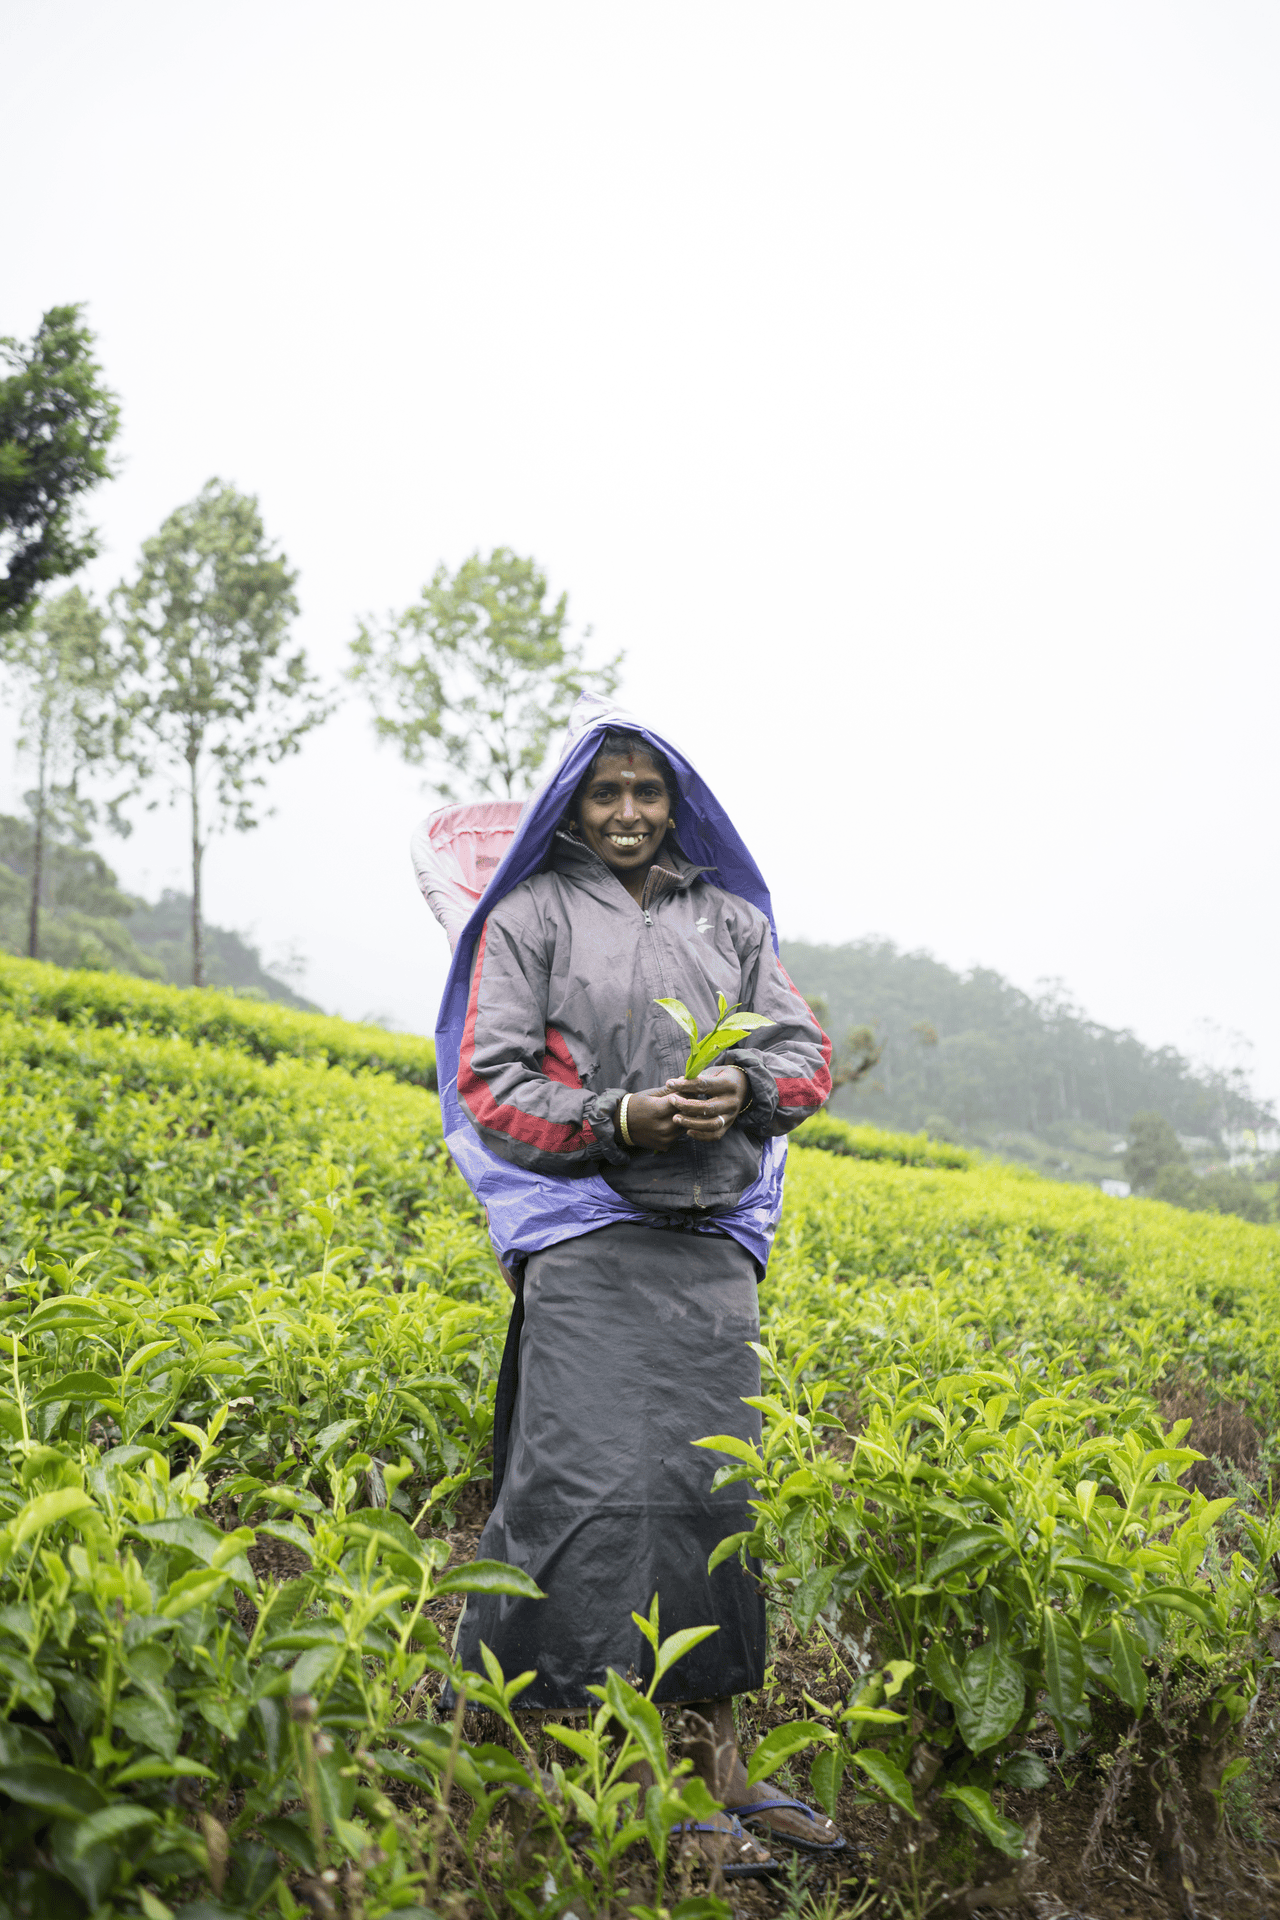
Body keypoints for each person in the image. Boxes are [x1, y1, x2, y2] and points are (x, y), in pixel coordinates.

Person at [449, 725, 842, 1873]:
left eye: (647, 791)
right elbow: (490, 1086)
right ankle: (606, 1765)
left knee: (714, 1498)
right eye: (606, 792)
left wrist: (743, 1085)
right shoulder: (530, 918)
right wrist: (620, 1116)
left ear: (676, 805)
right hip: (587, 1239)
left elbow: (806, 1060)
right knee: (588, 1492)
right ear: (573, 808)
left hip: (708, 1246)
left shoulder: (729, 922)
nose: (627, 811)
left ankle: (720, 1768)